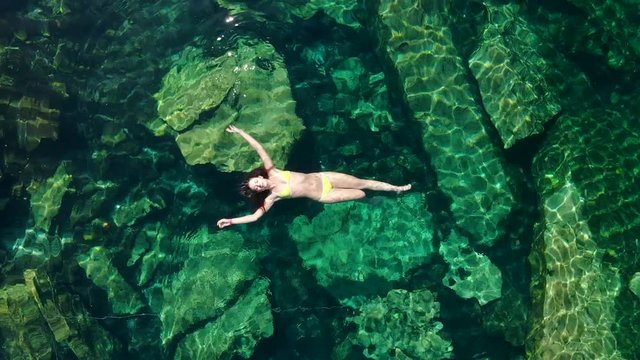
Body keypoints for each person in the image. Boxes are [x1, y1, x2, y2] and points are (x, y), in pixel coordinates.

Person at [216, 125, 411, 228]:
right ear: (259, 190)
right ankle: (373, 201)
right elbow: (254, 217)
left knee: (363, 183)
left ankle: (396, 188)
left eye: (256, 181)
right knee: (360, 194)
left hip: (323, 177)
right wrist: (231, 221)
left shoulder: (272, 170)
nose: (259, 185)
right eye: (257, 187)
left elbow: (259, 148)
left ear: (259, 176)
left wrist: (241, 132)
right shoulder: (271, 197)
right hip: (323, 195)